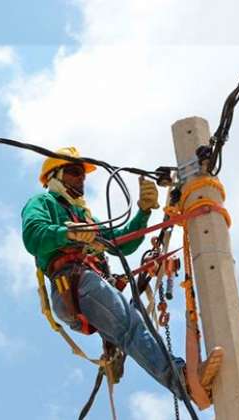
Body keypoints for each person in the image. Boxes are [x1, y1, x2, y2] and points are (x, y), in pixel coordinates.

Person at [21, 147, 222, 401]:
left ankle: (125, 350)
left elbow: (121, 243)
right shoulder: (43, 203)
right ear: (54, 176)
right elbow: (33, 236)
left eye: (83, 174)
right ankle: (184, 381)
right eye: (74, 172)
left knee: (133, 323)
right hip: (71, 283)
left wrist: (143, 211)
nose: (81, 178)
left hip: (89, 283)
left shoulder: (83, 216)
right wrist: (67, 233)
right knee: (131, 326)